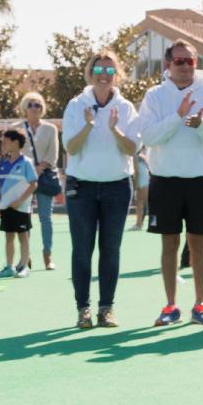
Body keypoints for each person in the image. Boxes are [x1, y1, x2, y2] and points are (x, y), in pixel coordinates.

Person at [134, 39, 203, 326]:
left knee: (198, 244)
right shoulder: (154, 96)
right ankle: (170, 306)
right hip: (164, 180)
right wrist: (178, 117)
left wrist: (200, 125)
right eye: (180, 61)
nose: (186, 66)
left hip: (200, 179)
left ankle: (200, 305)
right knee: (169, 244)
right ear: (168, 65)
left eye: (191, 61)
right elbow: (148, 137)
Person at [62, 51, 140, 329]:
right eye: (99, 69)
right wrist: (88, 126)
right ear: (90, 72)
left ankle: (106, 308)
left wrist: (115, 130)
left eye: (109, 70)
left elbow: (133, 148)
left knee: (110, 249)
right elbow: (70, 148)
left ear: (117, 74)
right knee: (82, 250)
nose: (104, 75)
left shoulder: (127, 108)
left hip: (117, 187)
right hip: (81, 188)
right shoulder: (76, 105)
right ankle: (83, 309)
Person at [15, 92, 60, 270]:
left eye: (39, 105)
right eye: (32, 105)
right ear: (25, 107)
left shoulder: (51, 129)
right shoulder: (15, 128)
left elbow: (53, 153)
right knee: (23, 218)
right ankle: (25, 257)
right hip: (22, 179)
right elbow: (12, 152)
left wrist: (39, 168)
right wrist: (28, 170)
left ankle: (47, 256)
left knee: (45, 218)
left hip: (44, 178)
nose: (35, 108)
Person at [0, 129, 39, 279]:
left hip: (21, 207)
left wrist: (20, 201)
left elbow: (33, 184)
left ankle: (24, 266)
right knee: (9, 237)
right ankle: (9, 266)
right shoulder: (3, 162)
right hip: (5, 207)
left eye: (5, 142)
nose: (3, 145)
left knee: (23, 237)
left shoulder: (26, 162)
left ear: (15, 143)